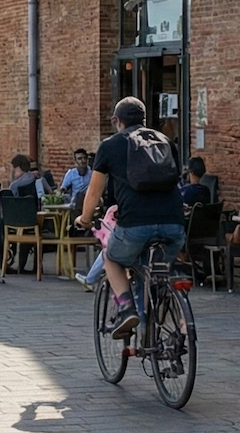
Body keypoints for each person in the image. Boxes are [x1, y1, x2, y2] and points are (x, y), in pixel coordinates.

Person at [76, 97, 186, 340]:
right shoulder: (166, 142)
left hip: (135, 225)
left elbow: (94, 191)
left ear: (117, 121)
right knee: (152, 272)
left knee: (110, 257)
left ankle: (127, 309)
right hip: (175, 225)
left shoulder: (110, 145)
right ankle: (167, 323)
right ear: (144, 121)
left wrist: (84, 219)